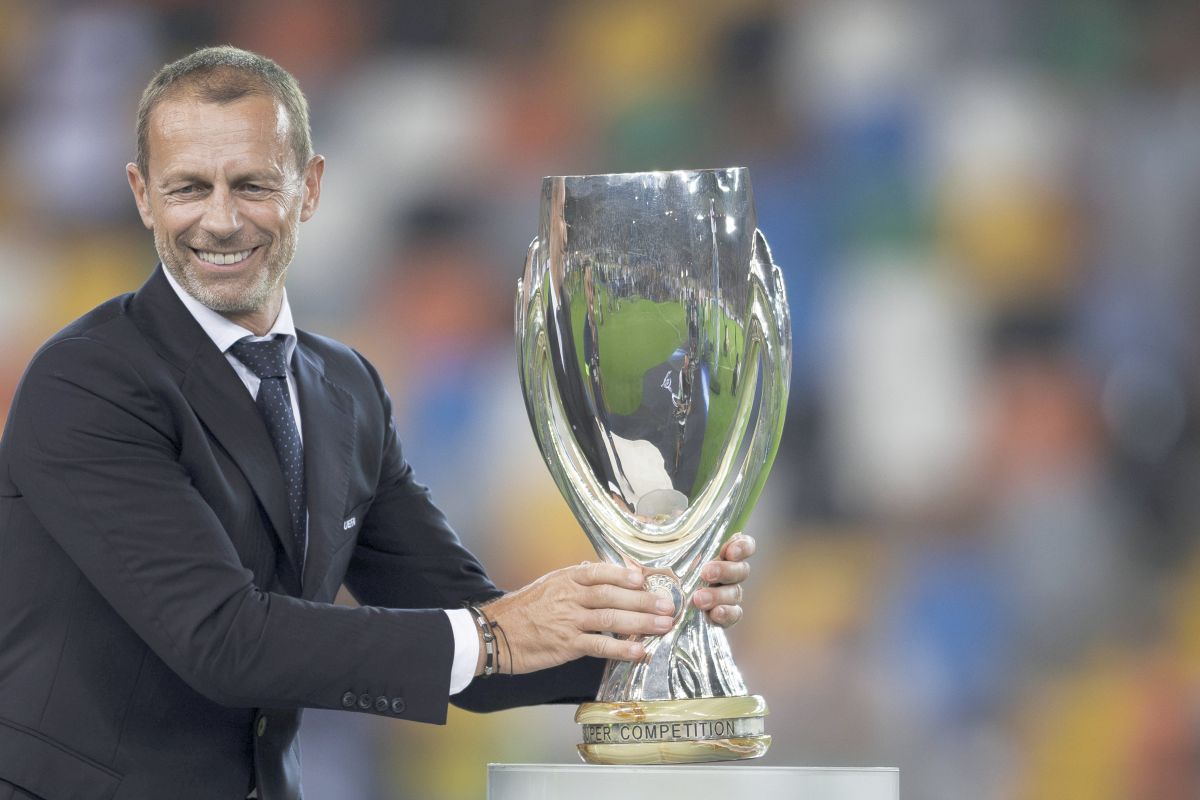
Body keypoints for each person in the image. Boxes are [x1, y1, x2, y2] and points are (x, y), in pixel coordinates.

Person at [0, 46, 755, 800]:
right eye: (189, 188)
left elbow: (464, 636)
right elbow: (224, 640)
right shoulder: (86, 382)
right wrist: (496, 634)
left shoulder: (345, 388)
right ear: (142, 194)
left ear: (310, 187)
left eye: (253, 184)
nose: (221, 220)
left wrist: (655, 623)